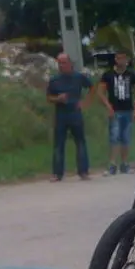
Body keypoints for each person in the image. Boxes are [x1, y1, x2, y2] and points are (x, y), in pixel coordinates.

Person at [46, 53, 93, 181]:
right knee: (58, 144)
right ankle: (57, 173)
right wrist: (57, 98)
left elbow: (92, 87)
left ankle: (83, 171)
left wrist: (85, 103)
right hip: (61, 114)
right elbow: (48, 97)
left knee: (80, 142)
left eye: (64, 62)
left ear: (70, 64)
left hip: (75, 113)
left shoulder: (78, 77)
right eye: (59, 63)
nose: (61, 65)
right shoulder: (54, 80)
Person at [98, 50, 135, 175]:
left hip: (128, 109)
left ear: (127, 60)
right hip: (115, 110)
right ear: (116, 60)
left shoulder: (131, 75)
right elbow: (100, 92)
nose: (121, 61)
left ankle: (124, 164)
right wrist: (108, 107)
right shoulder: (108, 75)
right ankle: (112, 164)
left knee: (126, 137)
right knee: (114, 136)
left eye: (124, 58)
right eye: (119, 58)